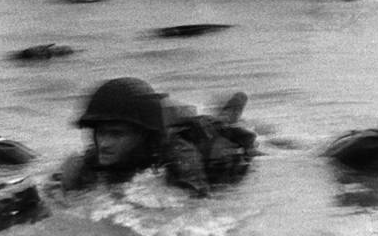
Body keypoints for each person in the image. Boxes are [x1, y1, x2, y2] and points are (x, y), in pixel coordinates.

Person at [46, 77, 259, 198]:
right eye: (100, 132)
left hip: (221, 158)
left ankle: (230, 113)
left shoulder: (179, 153)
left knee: (223, 126)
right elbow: (54, 190)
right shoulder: (97, 155)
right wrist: (61, 183)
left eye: (116, 134)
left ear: (143, 134)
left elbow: (196, 208)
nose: (104, 143)